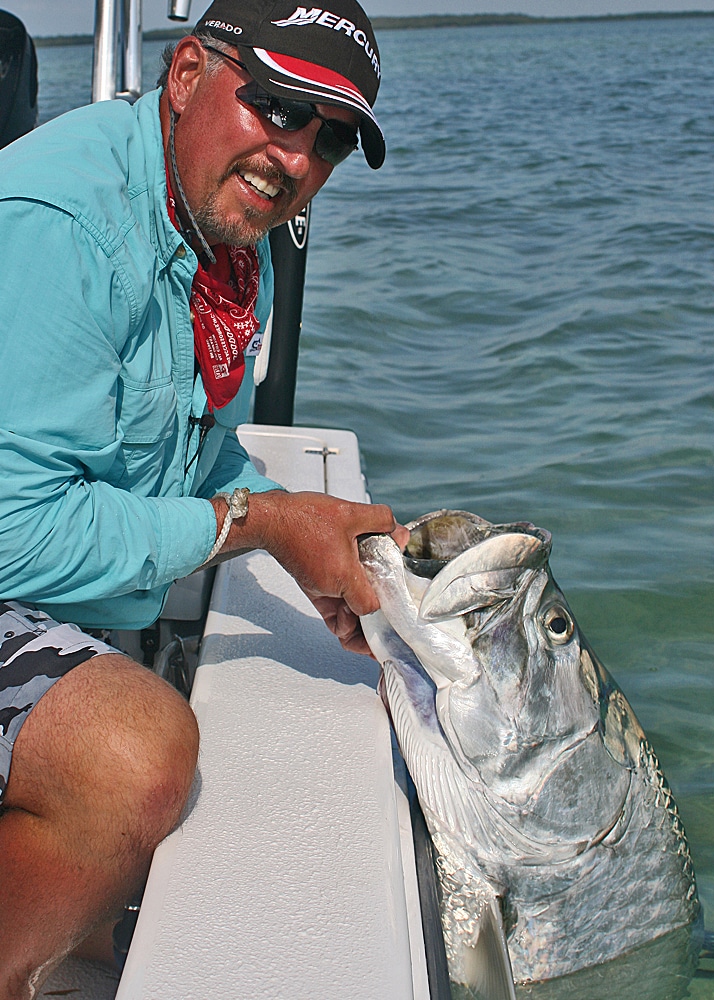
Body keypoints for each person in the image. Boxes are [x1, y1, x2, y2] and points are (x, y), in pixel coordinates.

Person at [0, 0, 405, 994]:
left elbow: (196, 450)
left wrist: (307, 528)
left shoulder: (227, 230)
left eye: (330, 137)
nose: (294, 157)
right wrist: (262, 521)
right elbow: (11, 535)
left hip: (58, 580)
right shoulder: (63, 226)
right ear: (186, 77)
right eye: (274, 106)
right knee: (133, 753)